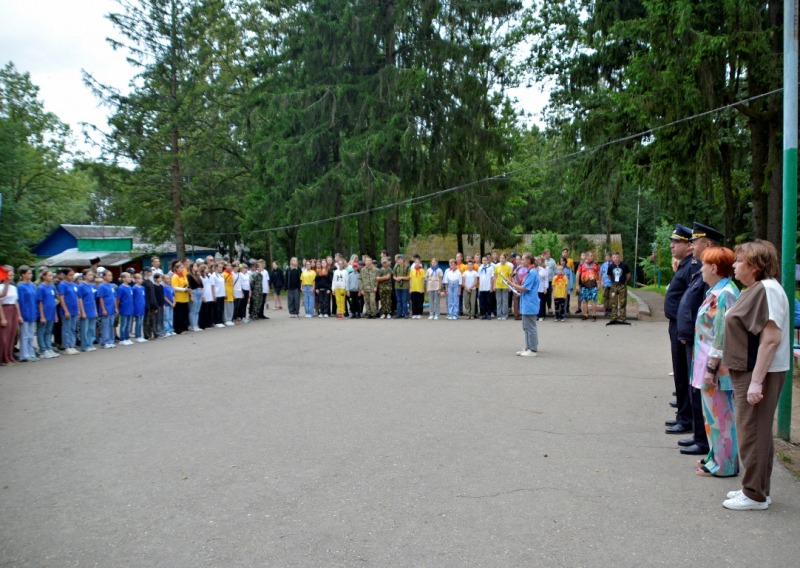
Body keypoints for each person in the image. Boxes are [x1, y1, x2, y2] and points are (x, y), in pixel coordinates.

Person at [720, 240, 792, 510]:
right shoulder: (756, 289)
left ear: (756, 265)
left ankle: (754, 494)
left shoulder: (768, 290)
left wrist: (757, 382)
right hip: (749, 370)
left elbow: (771, 339)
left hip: (758, 371)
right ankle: (757, 488)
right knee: (754, 431)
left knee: (753, 432)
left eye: (740, 261)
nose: (735, 265)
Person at [690, 247, 740, 478]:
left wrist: (711, 367)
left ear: (713, 268)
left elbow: (721, 334)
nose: (700, 269)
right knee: (712, 415)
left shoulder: (725, 294)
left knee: (721, 416)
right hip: (707, 365)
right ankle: (715, 456)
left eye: (703, 265)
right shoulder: (717, 291)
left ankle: (724, 464)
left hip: (716, 369)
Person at [675, 223, 723, 455]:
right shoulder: (701, 271)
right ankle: (699, 437)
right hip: (695, 341)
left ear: (709, 244)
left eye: (696, 242)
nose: (692, 245)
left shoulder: (713, 277)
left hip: (703, 344)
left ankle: (703, 441)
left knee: (701, 390)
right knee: (696, 389)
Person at [663, 225, 699, 435]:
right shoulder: (685, 265)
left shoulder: (692, 266)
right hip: (677, 325)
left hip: (683, 327)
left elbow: (692, 301)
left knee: (685, 373)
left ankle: (686, 418)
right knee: (680, 372)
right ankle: (683, 415)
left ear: (688, 246)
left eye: (676, 242)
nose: (672, 245)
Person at [506, 253, 540, 357]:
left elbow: (526, 288)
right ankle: (528, 347)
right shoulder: (530, 272)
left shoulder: (532, 273)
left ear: (529, 260)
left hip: (530, 304)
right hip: (527, 302)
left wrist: (512, 284)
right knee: (526, 326)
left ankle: (532, 349)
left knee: (530, 327)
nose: (521, 261)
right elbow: (526, 289)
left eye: (523, 259)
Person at [0, 267, 21, 365]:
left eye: (13, 275)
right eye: (10, 275)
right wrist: (2, 318)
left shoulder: (14, 287)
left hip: (13, 310)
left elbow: (16, 302)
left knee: (12, 335)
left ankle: (10, 356)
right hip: (5, 309)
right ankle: (3, 358)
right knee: (4, 336)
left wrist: (19, 315)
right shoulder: (1, 287)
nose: (12, 277)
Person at [16, 266, 38, 362]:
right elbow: (21, 302)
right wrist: (21, 315)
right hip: (25, 313)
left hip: (32, 312)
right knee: (24, 335)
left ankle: (31, 353)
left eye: (31, 273)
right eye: (28, 273)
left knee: (30, 335)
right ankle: (24, 355)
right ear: (23, 274)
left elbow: (34, 300)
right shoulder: (20, 286)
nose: (31, 275)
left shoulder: (32, 285)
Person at [57, 269, 80, 355]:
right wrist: (66, 310)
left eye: (72, 275)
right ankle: (66, 346)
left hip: (74, 310)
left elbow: (76, 297)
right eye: (70, 275)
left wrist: (78, 309)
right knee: (66, 329)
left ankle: (72, 345)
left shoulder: (74, 285)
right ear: (65, 275)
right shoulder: (62, 285)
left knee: (73, 329)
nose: (72, 277)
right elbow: (61, 298)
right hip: (67, 310)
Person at [606, 252, 631, 325]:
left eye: (617, 257)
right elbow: (609, 275)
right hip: (614, 286)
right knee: (614, 302)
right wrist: (613, 282)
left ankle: (623, 318)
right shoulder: (611, 266)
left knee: (622, 302)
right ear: (612, 258)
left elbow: (628, 275)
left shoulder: (624, 265)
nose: (615, 259)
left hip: (622, 285)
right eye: (614, 257)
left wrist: (624, 280)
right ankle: (614, 318)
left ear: (619, 257)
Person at [575, 251, 600, 322]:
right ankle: (585, 315)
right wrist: (577, 285)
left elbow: (599, 274)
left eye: (593, 255)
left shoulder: (596, 264)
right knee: (584, 301)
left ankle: (594, 315)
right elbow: (577, 275)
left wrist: (600, 283)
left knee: (594, 300)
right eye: (591, 256)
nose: (592, 257)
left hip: (593, 286)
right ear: (587, 256)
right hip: (584, 286)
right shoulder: (581, 264)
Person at [77, 270, 99, 351]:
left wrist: (95, 310)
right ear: (84, 276)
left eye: (92, 275)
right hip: (85, 310)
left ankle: (90, 343)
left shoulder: (92, 286)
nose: (91, 276)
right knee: (85, 329)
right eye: (89, 275)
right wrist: (82, 312)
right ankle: (85, 345)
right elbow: (80, 299)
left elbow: (93, 300)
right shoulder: (81, 286)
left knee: (91, 328)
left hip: (92, 310)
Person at [96, 269, 116, 349]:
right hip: (106, 309)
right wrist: (103, 309)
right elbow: (100, 298)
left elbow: (114, 297)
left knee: (111, 325)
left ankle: (111, 340)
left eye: (111, 275)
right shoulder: (102, 286)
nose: (111, 277)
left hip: (111, 309)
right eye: (109, 275)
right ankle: (105, 342)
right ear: (104, 277)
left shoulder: (112, 286)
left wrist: (115, 307)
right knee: (105, 326)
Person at [115, 272, 135, 346]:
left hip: (130, 308)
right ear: (123, 279)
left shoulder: (129, 287)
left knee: (129, 324)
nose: (130, 278)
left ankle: (127, 338)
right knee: (124, 324)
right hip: (124, 308)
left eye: (130, 277)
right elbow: (118, 299)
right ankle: (122, 339)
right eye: (128, 277)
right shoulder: (121, 288)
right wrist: (117, 308)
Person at [171, 264, 190, 334]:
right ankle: (179, 329)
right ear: (176, 268)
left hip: (185, 297)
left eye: (183, 267)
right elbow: (174, 287)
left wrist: (187, 288)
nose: (182, 269)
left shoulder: (184, 275)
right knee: (179, 315)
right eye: (181, 268)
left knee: (185, 314)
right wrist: (184, 289)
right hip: (179, 298)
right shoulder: (175, 276)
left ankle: (185, 327)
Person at [494, 254, 512, 320]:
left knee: (505, 301)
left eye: (503, 258)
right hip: (498, 285)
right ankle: (499, 314)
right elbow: (495, 277)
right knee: (499, 301)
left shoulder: (508, 267)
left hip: (505, 286)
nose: (502, 259)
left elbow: (510, 277)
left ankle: (505, 314)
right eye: (501, 258)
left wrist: (509, 286)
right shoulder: (497, 266)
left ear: (505, 259)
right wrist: (494, 285)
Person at [393, 254, 410, 319]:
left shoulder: (407, 267)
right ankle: (399, 313)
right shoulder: (396, 267)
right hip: (397, 285)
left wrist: (401, 277)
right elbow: (394, 275)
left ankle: (405, 313)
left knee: (404, 300)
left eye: (401, 259)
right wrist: (396, 278)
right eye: (399, 259)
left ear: (404, 260)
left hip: (405, 286)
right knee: (399, 300)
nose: (400, 260)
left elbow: (408, 277)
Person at [187, 262, 203, 331]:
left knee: (197, 310)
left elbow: (202, 285)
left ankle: (196, 324)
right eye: (195, 266)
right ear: (191, 267)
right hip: (194, 292)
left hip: (199, 291)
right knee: (193, 310)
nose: (196, 267)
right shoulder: (189, 276)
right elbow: (190, 286)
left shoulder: (198, 275)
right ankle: (192, 325)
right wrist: (191, 296)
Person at [478, 256, 495, 320]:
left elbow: (492, 278)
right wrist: (479, 287)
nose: (484, 261)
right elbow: (479, 278)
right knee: (482, 302)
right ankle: (484, 314)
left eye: (485, 260)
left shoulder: (490, 268)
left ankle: (489, 313)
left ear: (487, 261)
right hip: (482, 288)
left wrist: (491, 287)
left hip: (488, 287)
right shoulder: (480, 268)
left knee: (489, 301)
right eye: (483, 260)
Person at [132, 273, 148, 343]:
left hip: (142, 306)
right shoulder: (134, 288)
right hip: (137, 306)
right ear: (136, 280)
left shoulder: (142, 288)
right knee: (138, 322)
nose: (141, 280)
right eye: (139, 278)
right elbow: (133, 298)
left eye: (141, 278)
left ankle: (140, 335)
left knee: (141, 321)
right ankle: (137, 336)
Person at [543, 249, 557, 315]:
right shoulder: (542, 261)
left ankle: (549, 308)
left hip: (550, 280)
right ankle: (543, 309)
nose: (548, 255)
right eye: (547, 254)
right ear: (544, 254)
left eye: (549, 254)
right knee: (543, 295)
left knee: (549, 294)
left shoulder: (552, 261)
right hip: (543, 281)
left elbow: (556, 269)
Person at [600, 252, 613, 317]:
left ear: (611, 257)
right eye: (606, 256)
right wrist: (601, 281)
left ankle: (610, 309)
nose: (607, 258)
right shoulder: (604, 265)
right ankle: (606, 309)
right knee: (605, 297)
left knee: (611, 297)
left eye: (608, 256)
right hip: (605, 283)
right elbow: (601, 274)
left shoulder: (613, 265)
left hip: (611, 283)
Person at [537, 257, 549, 321]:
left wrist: (545, 288)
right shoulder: (535, 268)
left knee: (541, 302)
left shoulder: (544, 269)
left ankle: (541, 315)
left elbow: (546, 279)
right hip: (536, 288)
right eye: (538, 260)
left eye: (540, 260)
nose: (539, 261)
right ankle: (537, 314)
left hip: (542, 287)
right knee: (536, 302)